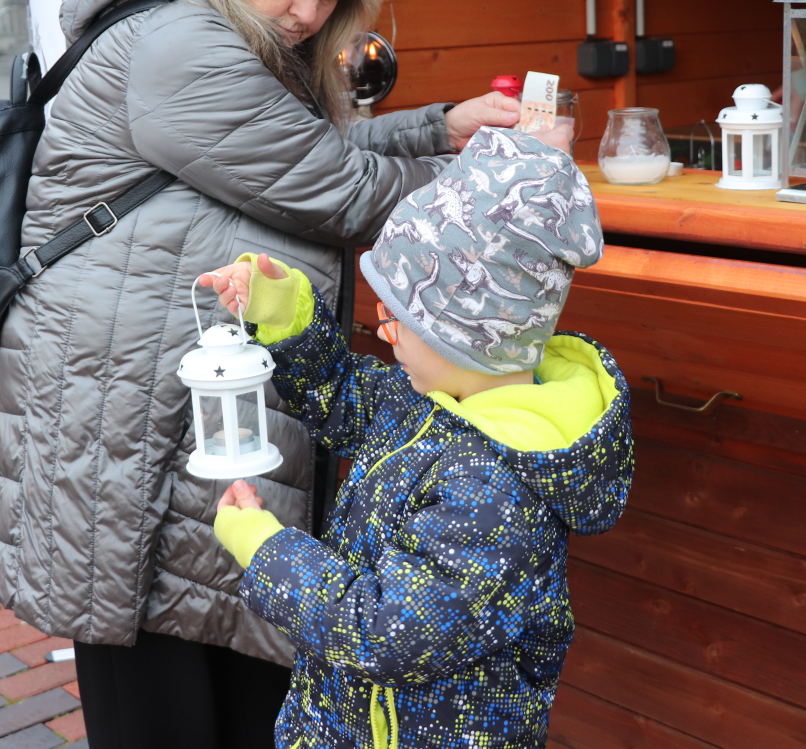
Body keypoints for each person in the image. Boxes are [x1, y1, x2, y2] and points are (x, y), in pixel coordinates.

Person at [0, 0, 568, 749]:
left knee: (217, 654)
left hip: (156, 381)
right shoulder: (180, 44)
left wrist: (438, 129)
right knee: (164, 677)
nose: (307, 12)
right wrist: (513, 178)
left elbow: (294, 152)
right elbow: (337, 191)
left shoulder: (201, 15)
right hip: (130, 406)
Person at [198, 127, 635, 749]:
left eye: (398, 319)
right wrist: (287, 315)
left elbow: (386, 633)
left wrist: (266, 550)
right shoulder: (431, 399)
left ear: (465, 334)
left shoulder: (493, 492)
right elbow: (346, 397)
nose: (385, 334)